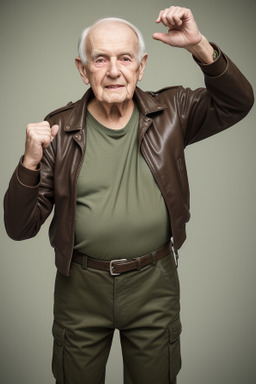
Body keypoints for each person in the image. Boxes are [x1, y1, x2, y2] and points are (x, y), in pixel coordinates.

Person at [4, 5, 254, 384]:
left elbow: (238, 102)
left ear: (142, 65)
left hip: (154, 284)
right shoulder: (57, 130)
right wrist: (28, 163)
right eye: (100, 59)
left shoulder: (173, 112)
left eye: (125, 58)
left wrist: (199, 45)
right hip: (80, 289)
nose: (114, 70)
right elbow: (19, 228)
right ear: (82, 68)